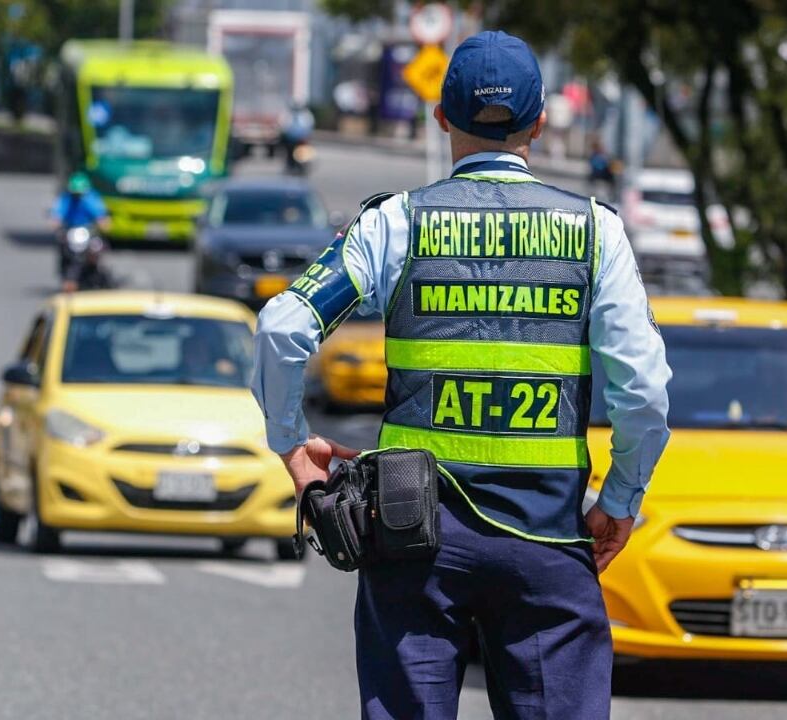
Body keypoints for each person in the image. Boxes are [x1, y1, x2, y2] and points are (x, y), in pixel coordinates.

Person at [252, 31, 670, 720]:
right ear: (540, 122)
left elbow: (280, 328)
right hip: (547, 538)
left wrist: (294, 449)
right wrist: (621, 498)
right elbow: (645, 391)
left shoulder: (394, 224)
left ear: (441, 117)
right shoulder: (597, 231)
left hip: (413, 537)